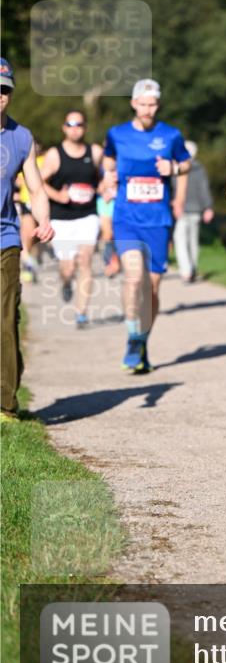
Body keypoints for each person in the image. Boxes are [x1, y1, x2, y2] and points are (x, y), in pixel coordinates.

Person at [103, 78, 191, 372]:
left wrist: (174, 170)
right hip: (127, 218)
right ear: (133, 103)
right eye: (142, 103)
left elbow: (186, 163)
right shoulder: (116, 134)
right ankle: (132, 333)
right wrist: (108, 179)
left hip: (158, 220)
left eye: (153, 104)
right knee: (133, 277)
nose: (148, 109)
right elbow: (107, 162)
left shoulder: (171, 135)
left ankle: (141, 342)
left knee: (152, 289)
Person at [0, 57, 54, 420]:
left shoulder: (21, 137)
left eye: (4, 90)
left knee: (4, 320)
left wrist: (44, 218)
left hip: (5, 239)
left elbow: (35, 188)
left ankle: (5, 404)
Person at [40, 110, 103, 328]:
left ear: (85, 128)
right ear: (64, 128)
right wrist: (58, 196)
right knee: (67, 267)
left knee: (85, 261)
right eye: (71, 124)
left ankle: (81, 313)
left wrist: (104, 186)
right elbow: (38, 182)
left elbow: (104, 177)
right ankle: (66, 282)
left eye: (79, 124)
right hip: (61, 217)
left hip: (87, 215)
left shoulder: (95, 152)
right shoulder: (54, 154)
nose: (75, 128)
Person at [173, 140, 214, 284]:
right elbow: (204, 189)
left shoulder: (178, 168)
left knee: (181, 240)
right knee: (192, 242)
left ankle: (187, 271)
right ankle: (192, 269)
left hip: (184, 209)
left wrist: (208, 207)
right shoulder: (199, 168)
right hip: (195, 210)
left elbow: (174, 188)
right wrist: (208, 207)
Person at [14, 140, 45, 283]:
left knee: (37, 239)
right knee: (28, 235)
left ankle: (32, 260)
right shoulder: (22, 161)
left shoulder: (44, 160)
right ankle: (27, 264)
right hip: (26, 202)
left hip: (41, 203)